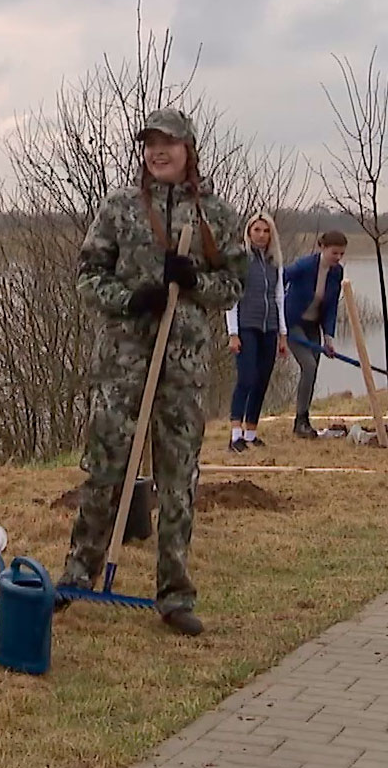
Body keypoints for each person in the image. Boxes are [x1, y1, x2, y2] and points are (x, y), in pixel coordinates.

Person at [57, 107, 248, 637]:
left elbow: (233, 285)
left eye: (168, 143)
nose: (157, 152)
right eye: (150, 144)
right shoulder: (119, 209)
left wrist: (193, 285)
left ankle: (175, 592)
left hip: (182, 364)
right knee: (104, 467)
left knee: (179, 477)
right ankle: (78, 572)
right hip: (122, 360)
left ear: (189, 149)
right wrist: (130, 297)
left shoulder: (214, 215)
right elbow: (87, 276)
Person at [227, 211, 287, 451]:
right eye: (257, 230)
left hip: (269, 327)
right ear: (249, 233)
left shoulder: (274, 262)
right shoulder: (241, 260)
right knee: (246, 378)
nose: (261, 235)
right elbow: (231, 298)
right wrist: (233, 333)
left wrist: (283, 334)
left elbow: (279, 296)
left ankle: (251, 432)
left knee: (262, 379)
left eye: (265, 231)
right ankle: (235, 435)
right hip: (247, 326)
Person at [284, 230, 347, 438]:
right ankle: (301, 419)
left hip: (313, 325)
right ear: (323, 248)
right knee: (308, 366)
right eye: (334, 253)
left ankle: (302, 420)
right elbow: (279, 280)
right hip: (293, 322)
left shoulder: (337, 273)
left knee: (312, 372)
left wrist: (329, 336)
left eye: (341, 254)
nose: (337, 258)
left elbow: (330, 307)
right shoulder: (304, 265)